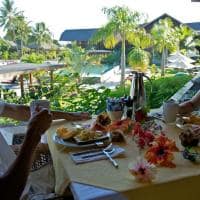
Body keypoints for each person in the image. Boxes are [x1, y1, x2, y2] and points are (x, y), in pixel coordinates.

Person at [0, 108, 52, 200]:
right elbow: (6, 194)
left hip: (25, 181)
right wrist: (34, 133)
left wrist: (72, 116)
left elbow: (16, 110)